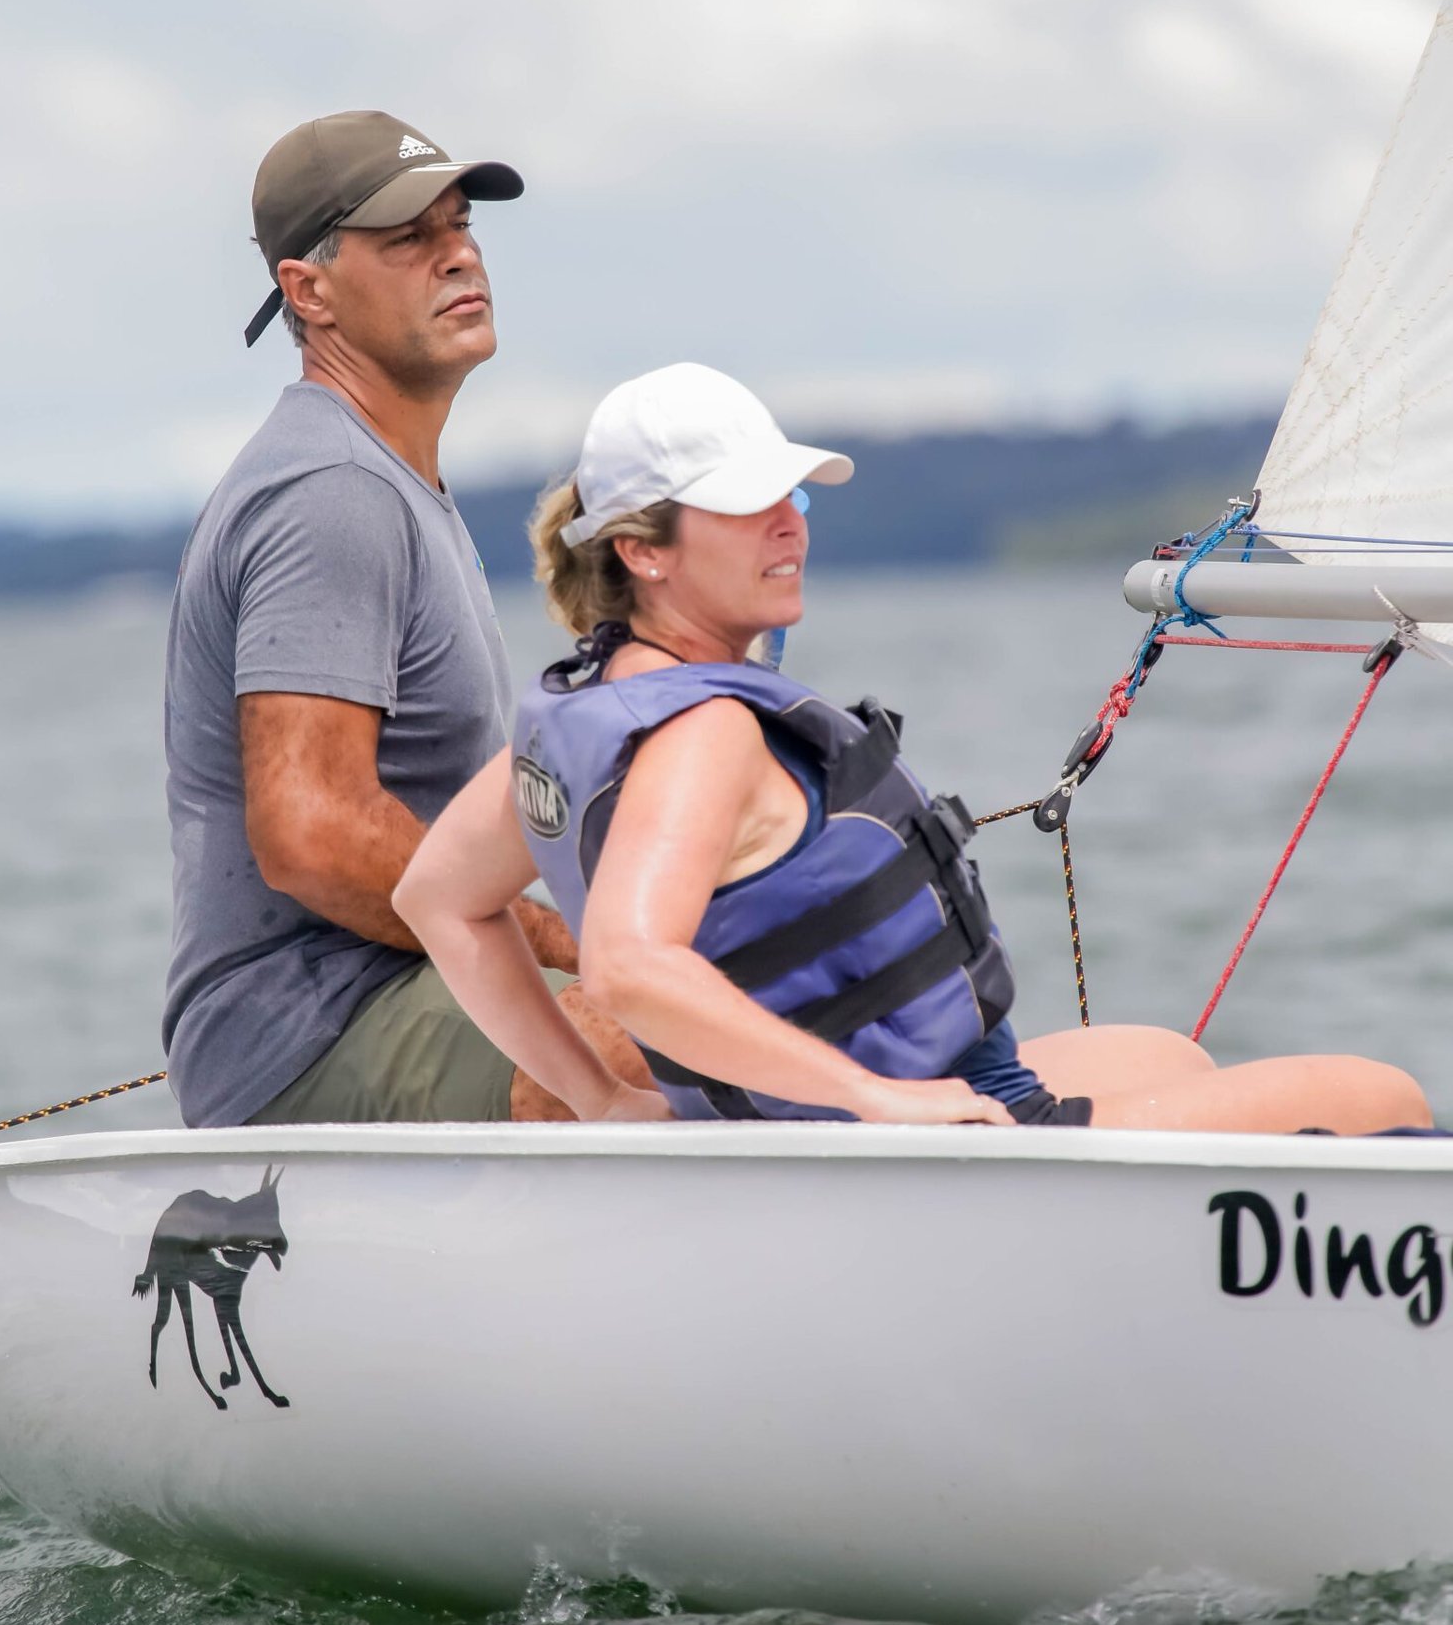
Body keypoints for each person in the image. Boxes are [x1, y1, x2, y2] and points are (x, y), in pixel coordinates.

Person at [394, 362, 1433, 1134]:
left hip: (853, 1110)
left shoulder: (591, 705)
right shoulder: (703, 732)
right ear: (640, 551)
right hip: (903, 1130)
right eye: (747, 505)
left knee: (1166, 1055)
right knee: (1384, 1100)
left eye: (792, 495)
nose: (789, 525)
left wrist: (603, 1100)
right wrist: (871, 1098)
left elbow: (437, 896)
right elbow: (626, 967)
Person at [163, 109, 659, 1129]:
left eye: (460, 223)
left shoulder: (385, 478)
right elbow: (312, 835)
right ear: (309, 291)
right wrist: (562, 943)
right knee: (664, 1038)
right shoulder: (332, 492)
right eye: (407, 238)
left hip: (395, 990)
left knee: (741, 996)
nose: (459, 254)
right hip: (310, 1028)